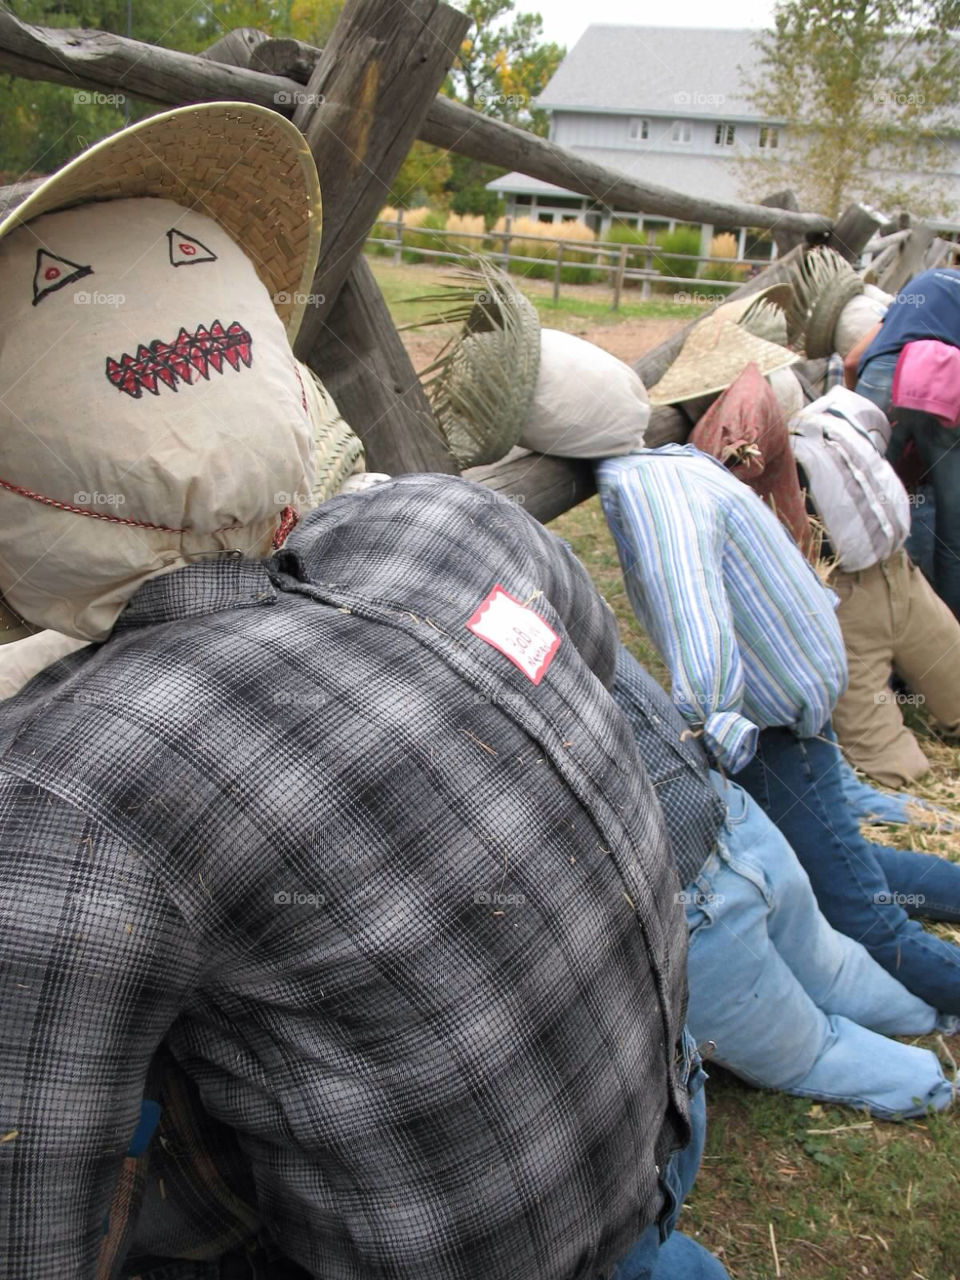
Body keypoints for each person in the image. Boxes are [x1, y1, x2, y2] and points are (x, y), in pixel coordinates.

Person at [0, 102, 720, 1279]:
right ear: (277, 377)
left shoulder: (66, 793)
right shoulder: (456, 518)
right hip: (662, 1143)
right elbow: (682, 818)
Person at [596, 441, 960, 1016]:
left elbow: (695, 611)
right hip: (788, 701)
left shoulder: (651, 490)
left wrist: (704, 727)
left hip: (767, 728)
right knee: (834, 854)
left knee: (860, 915)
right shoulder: (680, 465)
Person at [611, 647, 954, 1118]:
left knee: (817, 1035)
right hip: (732, 823)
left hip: (692, 883)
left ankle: (931, 1066)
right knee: (831, 977)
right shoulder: (548, 592)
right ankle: (930, 1025)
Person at [689, 369, 960, 787]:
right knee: (894, 767)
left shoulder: (836, 417)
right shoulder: (754, 477)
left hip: (903, 578)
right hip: (844, 606)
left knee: (952, 674)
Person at [848, 268, 960, 618]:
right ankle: (945, 639)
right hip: (945, 393)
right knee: (951, 531)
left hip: (884, 376)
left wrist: (855, 416)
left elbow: (852, 359)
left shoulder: (923, 281)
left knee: (852, 501)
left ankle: (844, 614)